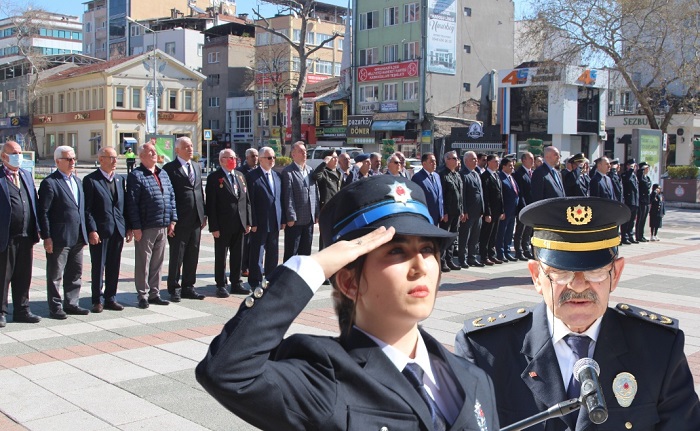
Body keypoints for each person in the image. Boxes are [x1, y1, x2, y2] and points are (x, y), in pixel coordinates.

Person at [196, 175, 500, 431]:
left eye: (428, 249)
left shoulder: (473, 378)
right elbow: (227, 372)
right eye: (396, 251)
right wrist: (314, 267)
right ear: (349, 282)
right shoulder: (327, 376)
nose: (420, 266)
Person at [456, 196, 700, 430]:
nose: (579, 285)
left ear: (616, 273)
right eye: (561, 273)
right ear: (536, 276)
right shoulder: (486, 352)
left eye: (595, 272)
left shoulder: (659, 348)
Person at [38, 146, 89, 319]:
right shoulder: (50, 183)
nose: (72, 162)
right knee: (56, 274)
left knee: (75, 272)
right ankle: (55, 307)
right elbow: (43, 212)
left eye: (74, 158)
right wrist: (47, 237)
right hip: (59, 237)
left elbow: (82, 208)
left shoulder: (77, 181)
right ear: (58, 161)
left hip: (78, 236)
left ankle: (72, 303)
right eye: (68, 159)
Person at [126, 142, 177, 309]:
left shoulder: (163, 174)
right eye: (150, 152)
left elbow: (171, 198)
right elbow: (132, 203)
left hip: (162, 224)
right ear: (141, 157)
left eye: (155, 151)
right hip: (146, 226)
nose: (155, 154)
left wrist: (172, 220)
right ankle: (142, 294)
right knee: (144, 262)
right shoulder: (136, 175)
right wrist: (136, 227)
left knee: (157, 262)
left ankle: (155, 293)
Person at [83, 147, 129, 313]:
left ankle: (111, 297)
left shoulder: (119, 179)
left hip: (117, 230)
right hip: (100, 231)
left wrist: (127, 227)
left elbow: (124, 206)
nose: (115, 161)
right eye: (111, 158)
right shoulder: (91, 180)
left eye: (116, 158)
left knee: (114, 265)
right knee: (98, 266)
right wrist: (92, 230)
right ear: (101, 159)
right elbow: (87, 209)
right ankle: (97, 299)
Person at [0, 141, 41, 326]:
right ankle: (1, 312)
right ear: (3, 156)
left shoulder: (25, 174)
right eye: (14, 153)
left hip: (26, 235)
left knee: (24, 276)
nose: (18, 155)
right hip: (5, 237)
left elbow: (33, 201)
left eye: (19, 152)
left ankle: (22, 310)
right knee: (3, 276)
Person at [162, 137, 206, 302]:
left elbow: (200, 191)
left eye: (191, 146)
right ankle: (174, 288)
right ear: (177, 150)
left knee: (192, 254)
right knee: (177, 255)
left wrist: (204, 214)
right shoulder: (169, 169)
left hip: (196, 218)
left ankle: (189, 286)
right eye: (186, 147)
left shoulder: (196, 166)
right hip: (179, 220)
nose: (190, 149)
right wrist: (170, 220)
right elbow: (167, 195)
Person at [206, 149, 251, 297]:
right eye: (229, 158)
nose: (233, 160)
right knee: (221, 256)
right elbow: (211, 205)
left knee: (238, 255)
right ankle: (220, 284)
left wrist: (248, 221)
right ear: (221, 160)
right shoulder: (214, 178)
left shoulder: (240, 176)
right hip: (222, 225)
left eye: (234, 157)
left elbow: (246, 200)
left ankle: (236, 282)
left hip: (239, 223)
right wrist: (214, 227)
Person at [245, 146, 283, 289]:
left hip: (275, 220)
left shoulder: (277, 176)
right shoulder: (252, 176)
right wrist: (252, 221)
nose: (272, 160)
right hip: (259, 222)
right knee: (257, 253)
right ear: (260, 159)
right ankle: (255, 281)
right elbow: (250, 201)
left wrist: (282, 219)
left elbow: (279, 199)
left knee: (273, 253)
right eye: (269, 158)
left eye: (274, 157)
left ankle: (270, 279)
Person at [282, 141, 320, 261]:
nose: (304, 153)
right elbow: (288, 196)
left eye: (305, 151)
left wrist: (317, 213)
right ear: (293, 154)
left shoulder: (310, 170)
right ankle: (288, 277)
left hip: (309, 218)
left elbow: (315, 193)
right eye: (301, 151)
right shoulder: (288, 172)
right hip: (296, 220)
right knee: (292, 252)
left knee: (306, 252)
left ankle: (302, 277)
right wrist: (291, 216)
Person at [458, 151, 485, 268]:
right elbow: (462, 194)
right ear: (466, 161)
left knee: (475, 236)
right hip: (468, 212)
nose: (476, 161)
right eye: (473, 159)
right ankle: (462, 258)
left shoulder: (476, 174)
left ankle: (472, 258)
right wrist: (464, 210)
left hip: (478, 212)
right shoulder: (463, 174)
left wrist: (482, 209)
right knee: (465, 236)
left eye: (476, 159)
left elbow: (480, 193)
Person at [312, 149, 342, 251]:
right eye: (333, 158)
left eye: (337, 157)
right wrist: (324, 163)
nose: (336, 160)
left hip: (338, 209)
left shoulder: (339, 173)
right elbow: (316, 176)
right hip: (326, 209)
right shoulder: (324, 173)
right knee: (325, 238)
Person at [479, 154, 505, 266]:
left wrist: (502, 210)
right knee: (486, 234)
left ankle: (491, 255)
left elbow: (500, 194)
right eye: (495, 161)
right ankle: (484, 256)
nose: (497, 163)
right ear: (489, 162)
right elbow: (486, 197)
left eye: (498, 161)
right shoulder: (485, 176)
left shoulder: (497, 175)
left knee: (494, 234)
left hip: (497, 211)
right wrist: (487, 213)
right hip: (489, 212)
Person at [439, 151, 463, 271]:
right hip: (448, 213)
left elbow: (460, 195)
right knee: (445, 238)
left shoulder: (456, 175)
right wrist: (444, 212)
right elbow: (441, 195)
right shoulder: (442, 175)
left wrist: (462, 211)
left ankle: (449, 260)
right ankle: (442, 261)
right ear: (447, 160)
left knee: (453, 238)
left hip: (457, 212)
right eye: (454, 158)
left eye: (457, 158)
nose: (456, 160)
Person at [236, 147, 258, 277]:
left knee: (255, 243)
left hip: (257, 209)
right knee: (246, 242)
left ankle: (253, 265)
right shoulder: (241, 172)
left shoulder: (258, 170)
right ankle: (243, 267)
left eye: (256, 156)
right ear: (247, 158)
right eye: (252, 156)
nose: (255, 158)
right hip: (246, 211)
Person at [496, 157, 521, 262]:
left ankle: (507, 251)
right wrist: (502, 210)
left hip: (512, 210)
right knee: (502, 232)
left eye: (512, 166)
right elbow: (500, 196)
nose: (512, 168)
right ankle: (500, 252)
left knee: (509, 232)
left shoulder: (511, 177)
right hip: (505, 210)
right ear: (504, 166)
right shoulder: (500, 177)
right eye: (510, 166)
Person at [411, 152, 444, 229]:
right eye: (431, 161)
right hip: (426, 215)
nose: (434, 163)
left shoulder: (437, 176)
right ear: (424, 163)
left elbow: (440, 195)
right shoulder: (417, 178)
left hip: (437, 216)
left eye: (435, 161)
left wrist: (441, 212)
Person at [512, 151, 534, 261]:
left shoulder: (532, 173)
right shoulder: (519, 173)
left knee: (528, 230)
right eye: (530, 158)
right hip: (523, 207)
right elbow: (520, 192)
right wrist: (524, 207)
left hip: (532, 206)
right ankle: (518, 251)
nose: (532, 160)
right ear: (524, 160)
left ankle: (526, 250)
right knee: (520, 230)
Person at [621, 159, 639, 245]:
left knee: (632, 221)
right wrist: (630, 171)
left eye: (634, 166)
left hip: (635, 201)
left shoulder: (634, 175)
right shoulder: (625, 175)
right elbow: (627, 181)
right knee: (626, 221)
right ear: (627, 166)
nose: (633, 167)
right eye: (631, 166)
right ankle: (624, 237)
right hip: (628, 201)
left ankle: (630, 235)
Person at [635, 162, 652, 242]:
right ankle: (638, 235)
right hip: (641, 201)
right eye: (646, 168)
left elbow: (649, 184)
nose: (647, 170)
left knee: (644, 219)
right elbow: (645, 185)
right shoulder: (640, 177)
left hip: (646, 201)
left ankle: (642, 235)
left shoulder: (647, 177)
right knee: (640, 219)